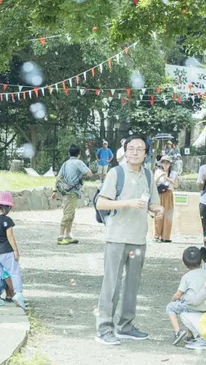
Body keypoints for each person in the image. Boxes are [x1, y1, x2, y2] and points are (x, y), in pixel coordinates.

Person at [94, 135, 163, 346]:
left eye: (140, 149)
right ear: (125, 151)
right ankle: (104, 329)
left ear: (146, 153)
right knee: (112, 285)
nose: (135, 152)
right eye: (131, 148)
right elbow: (101, 203)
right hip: (116, 237)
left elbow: (152, 203)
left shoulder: (148, 175)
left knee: (132, 285)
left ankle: (125, 326)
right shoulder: (116, 173)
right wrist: (127, 203)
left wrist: (157, 210)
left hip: (138, 238)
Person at [0, 191, 27, 310]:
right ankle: (18, 294)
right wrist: (16, 251)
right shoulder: (7, 220)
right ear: (7, 207)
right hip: (6, 251)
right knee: (14, 272)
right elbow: (10, 237)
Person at [167, 246, 206, 346]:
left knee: (171, 307)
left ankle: (178, 332)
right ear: (201, 261)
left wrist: (173, 300)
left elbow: (178, 295)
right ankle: (190, 335)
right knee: (186, 299)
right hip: (205, 306)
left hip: (192, 306)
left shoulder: (186, 277)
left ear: (184, 262)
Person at [53, 144, 92, 245]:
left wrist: (54, 191)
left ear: (69, 153)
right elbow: (89, 173)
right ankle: (61, 237)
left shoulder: (65, 163)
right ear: (79, 153)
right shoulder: (79, 162)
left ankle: (68, 235)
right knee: (67, 215)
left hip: (66, 192)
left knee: (71, 214)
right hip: (72, 192)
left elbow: (58, 177)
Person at [154, 155, 180, 243]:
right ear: (161, 163)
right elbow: (154, 183)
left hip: (169, 194)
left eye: (167, 162)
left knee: (168, 215)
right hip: (159, 194)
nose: (165, 164)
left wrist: (168, 180)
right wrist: (160, 176)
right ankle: (157, 235)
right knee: (158, 214)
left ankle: (166, 236)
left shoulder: (174, 173)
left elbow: (176, 185)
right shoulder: (157, 172)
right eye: (163, 162)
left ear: (170, 164)